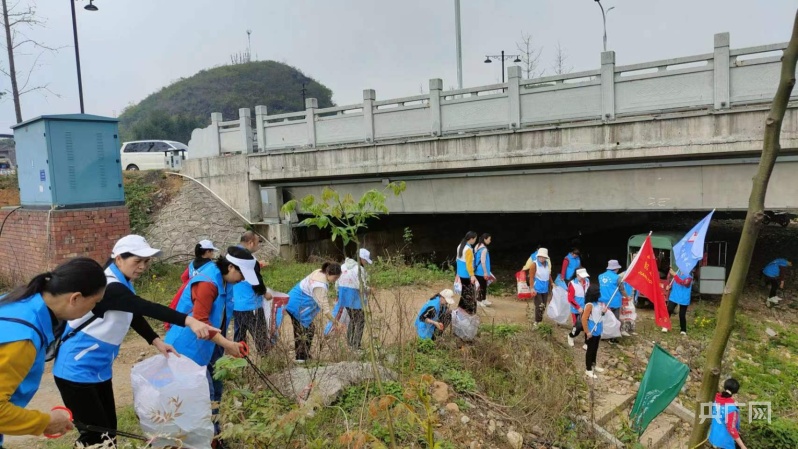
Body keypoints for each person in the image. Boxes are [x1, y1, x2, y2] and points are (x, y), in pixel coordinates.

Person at [53, 235, 220, 447]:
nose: (142, 267)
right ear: (118, 258)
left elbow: (132, 311)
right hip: (75, 371)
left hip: (98, 370)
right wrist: (189, 321)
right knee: (95, 436)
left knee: (108, 432)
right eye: (137, 261)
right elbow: (144, 307)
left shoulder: (123, 283)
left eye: (146, 261)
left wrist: (155, 340)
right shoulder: (108, 286)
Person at [0, 259, 106, 447]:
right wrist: (45, 422)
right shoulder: (24, 339)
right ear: (76, 298)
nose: (94, 310)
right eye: (95, 303)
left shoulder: (17, 301)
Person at [165, 246, 258, 444]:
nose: (243, 280)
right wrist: (227, 344)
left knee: (216, 391)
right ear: (231, 267)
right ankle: (202, 441)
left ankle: (214, 437)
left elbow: (221, 318)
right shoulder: (207, 283)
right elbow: (201, 323)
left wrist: (228, 345)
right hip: (187, 347)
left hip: (210, 345)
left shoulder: (226, 281)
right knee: (203, 397)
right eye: (242, 274)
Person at [285, 262, 344, 362]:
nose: (335, 280)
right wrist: (336, 323)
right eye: (335, 278)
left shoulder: (320, 272)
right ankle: (300, 358)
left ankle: (304, 355)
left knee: (309, 329)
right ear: (329, 273)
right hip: (295, 304)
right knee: (302, 330)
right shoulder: (319, 286)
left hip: (296, 301)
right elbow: (325, 309)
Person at [165, 239, 219, 331]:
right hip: (203, 295)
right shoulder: (211, 266)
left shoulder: (191, 264)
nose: (213, 254)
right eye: (211, 251)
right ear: (207, 252)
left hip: (188, 294)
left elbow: (184, 277)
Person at [336, 248, 372, 350]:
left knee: (352, 319)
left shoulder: (343, 266)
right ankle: (356, 345)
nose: (366, 263)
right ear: (361, 258)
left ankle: (350, 343)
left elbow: (337, 282)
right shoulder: (360, 270)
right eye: (365, 260)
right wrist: (370, 290)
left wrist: (337, 294)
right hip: (354, 296)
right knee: (360, 320)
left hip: (344, 296)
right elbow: (362, 286)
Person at [569, 284, 605, 379]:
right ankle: (588, 369)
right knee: (590, 350)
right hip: (592, 331)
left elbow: (598, 315)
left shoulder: (598, 304)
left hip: (598, 330)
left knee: (595, 349)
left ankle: (594, 364)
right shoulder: (589, 305)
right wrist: (587, 332)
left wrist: (603, 312)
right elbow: (584, 319)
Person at [708, 378, 749, 449]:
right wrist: (742, 446)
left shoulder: (715, 398)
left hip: (713, 436)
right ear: (736, 391)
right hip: (724, 443)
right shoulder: (731, 408)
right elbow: (731, 428)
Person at [528, 248, 554, 327]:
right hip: (537, 289)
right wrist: (532, 288)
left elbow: (548, 275)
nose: (542, 258)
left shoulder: (546, 264)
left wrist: (552, 283)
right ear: (538, 256)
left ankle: (540, 320)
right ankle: (537, 322)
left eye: (543, 257)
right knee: (539, 305)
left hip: (545, 289)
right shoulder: (534, 265)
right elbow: (531, 277)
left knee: (543, 306)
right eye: (540, 257)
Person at [598, 260, 628, 324]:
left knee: (604, 319)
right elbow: (622, 290)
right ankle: (614, 331)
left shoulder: (600, 276)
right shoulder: (618, 278)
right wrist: (627, 297)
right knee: (615, 320)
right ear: (616, 268)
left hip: (603, 301)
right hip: (614, 302)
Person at [455, 232, 479, 314]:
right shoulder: (468, 249)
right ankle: (469, 311)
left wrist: (457, 273)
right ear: (471, 239)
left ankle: (461, 308)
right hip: (467, 274)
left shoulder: (460, 246)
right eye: (475, 239)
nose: (475, 241)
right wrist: (472, 275)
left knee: (464, 293)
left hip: (461, 274)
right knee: (470, 294)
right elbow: (469, 264)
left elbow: (457, 260)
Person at [665, 268, 693, 335]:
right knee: (669, 309)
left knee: (682, 315)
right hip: (674, 295)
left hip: (684, 297)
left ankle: (683, 330)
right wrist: (669, 286)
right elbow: (672, 283)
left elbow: (684, 283)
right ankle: (665, 325)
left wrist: (674, 275)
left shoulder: (689, 276)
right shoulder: (677, 273)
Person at [566, 268, 590, 349]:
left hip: (586, 308)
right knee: (578, 326)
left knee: (588, 324)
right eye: (581, 276)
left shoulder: (587, 281)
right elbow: (570, 299)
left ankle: (587, 342)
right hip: (576, 310)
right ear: (577, 275)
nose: (583, 278)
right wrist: (578, 307)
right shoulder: (572, 284)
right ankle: (571, 336)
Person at [474, 233, 494, 308]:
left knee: (482, 286)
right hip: (482, 271)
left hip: (477, 270)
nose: (490, 241)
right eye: (489, 239)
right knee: (482, 286)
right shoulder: (484, 249)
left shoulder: (477, 246)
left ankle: (483, 299)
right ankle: (479, 300)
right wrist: (485, 272)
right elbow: (483, 261)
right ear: (485, 239)